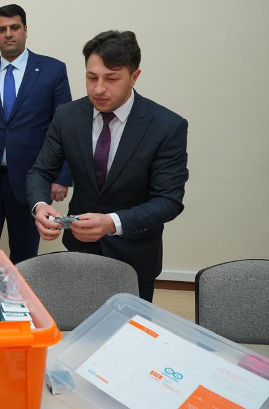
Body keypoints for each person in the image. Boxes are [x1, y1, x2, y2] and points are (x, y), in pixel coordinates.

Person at [27, 30, 189, 302]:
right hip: (80, 252)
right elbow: (41, 171)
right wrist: (40, 206)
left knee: (129, 327)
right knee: (78, 323)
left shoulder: (166, 126)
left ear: (134, 77)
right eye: (92, 78)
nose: (99, 89)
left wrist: (111, 222)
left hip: (135, 256)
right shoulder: (67, 116)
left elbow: (168, 200)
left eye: (111, 79)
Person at [0, 4, 72, 263]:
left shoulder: (52, 70)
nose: (8, 34)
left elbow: (65, 128)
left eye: (14, 27)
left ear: (25, 30)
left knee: (25, 257)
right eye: (1, 29)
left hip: (31, 181)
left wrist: (62, 177)